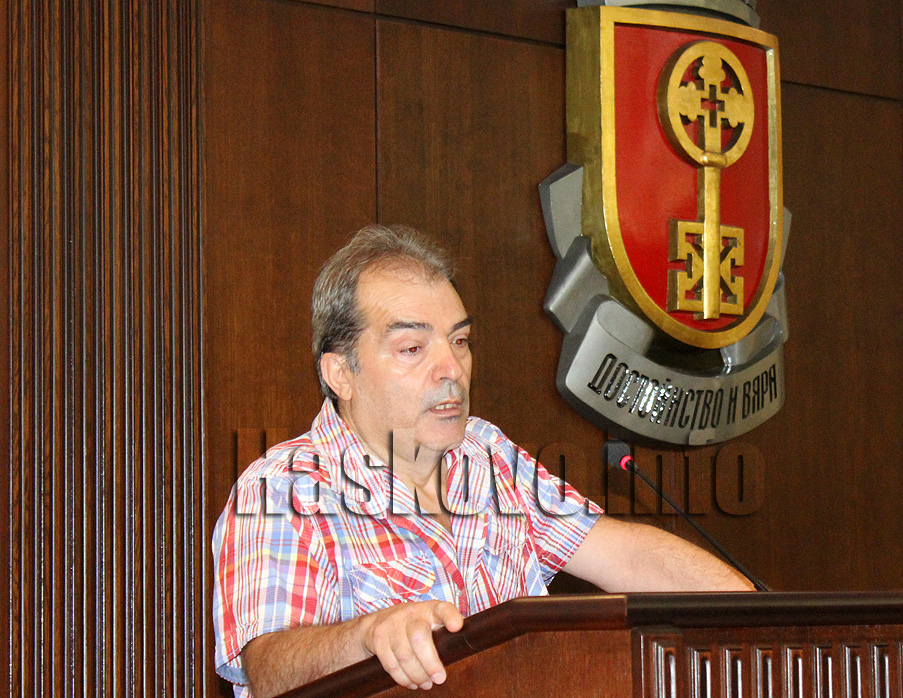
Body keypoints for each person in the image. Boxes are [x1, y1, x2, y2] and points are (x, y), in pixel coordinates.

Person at [212, 224, 753, 698]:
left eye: (460, 340)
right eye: (412, 349)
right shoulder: (283, 488)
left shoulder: (488, 456)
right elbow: (268, 670)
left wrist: (755, 616)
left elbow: (627, 557)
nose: (452, 368)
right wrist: (367, 636)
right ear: (341, 374)